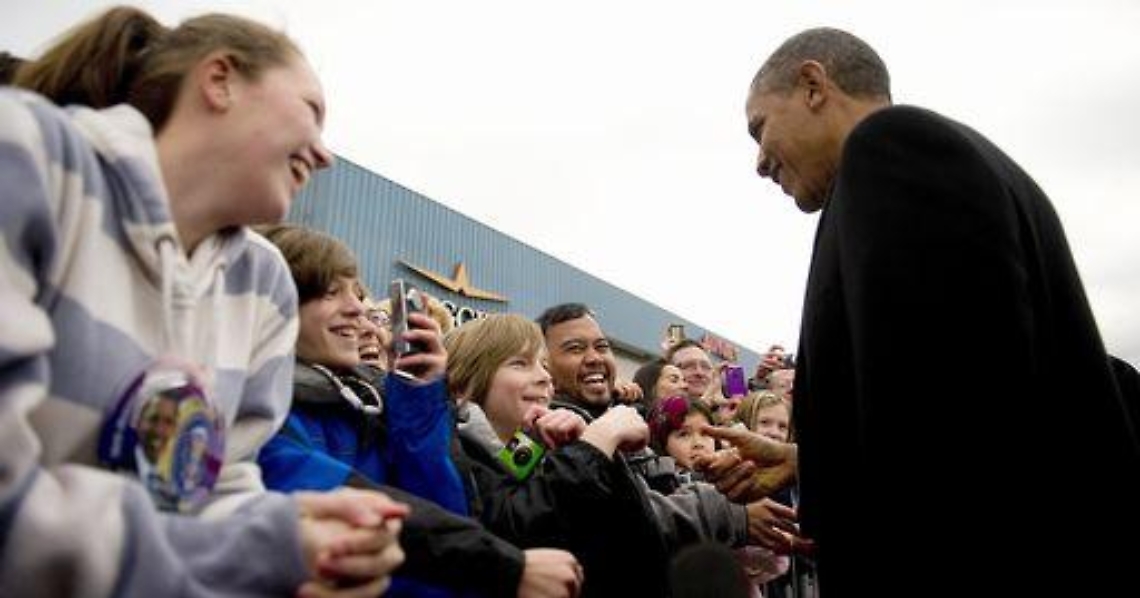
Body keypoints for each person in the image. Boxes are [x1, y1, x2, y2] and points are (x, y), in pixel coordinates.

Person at [1, 7, 406, 597]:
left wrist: (312, 545)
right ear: (221, 80)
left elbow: (212, 491)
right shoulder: (29, 153)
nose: (324, 156)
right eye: (312, 113)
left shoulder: (264, 284)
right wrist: (255, 553)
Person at [736, 26, 1140, 594]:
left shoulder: (893, 149)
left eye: (759, 128)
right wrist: (810, 460)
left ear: (812, 85)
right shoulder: (946, 163)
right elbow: (975, 391)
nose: (758, 161)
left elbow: (950, 447)